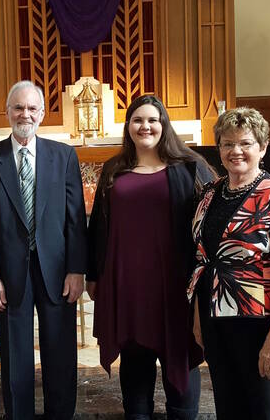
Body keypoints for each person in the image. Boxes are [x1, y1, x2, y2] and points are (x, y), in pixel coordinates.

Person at [87, 95, 215, 420]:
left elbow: (213, 220)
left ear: (163, 125)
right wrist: (93, 274)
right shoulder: (115, 169)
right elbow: (98, 225)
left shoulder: (190, 168)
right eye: (137, 120)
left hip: (175, 286)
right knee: (134, 357)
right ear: (128, 126)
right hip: (129, 286)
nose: (145, 126)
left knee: (182, 355)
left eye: (152, 120)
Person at [0, 80, 88, 420]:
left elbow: (75, 219)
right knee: (14, 356)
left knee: (60, 352)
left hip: (57, 269)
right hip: (9, 274)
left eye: (32, 108)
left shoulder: (62, 156)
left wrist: (77, 269)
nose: (25, 114)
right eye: (18, 108)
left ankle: (60, 414)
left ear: (42, 113)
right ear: (7, 113)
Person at [189, 107, 270, 420]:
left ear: (262, 147)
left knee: (265, 409)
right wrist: (197, 315)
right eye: (227, 143)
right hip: (215, 318)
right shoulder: (209, 193)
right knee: (228, 407)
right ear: (219, 149)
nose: (236, 151)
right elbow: (203, 259)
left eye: (245, 143)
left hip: (259, 322)